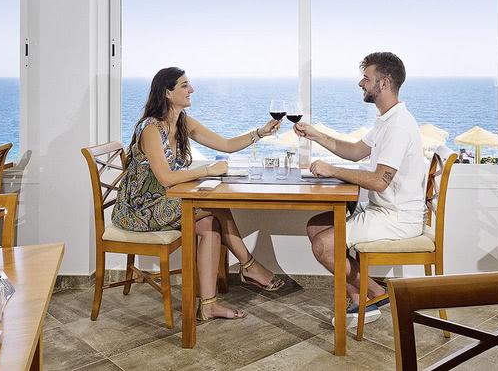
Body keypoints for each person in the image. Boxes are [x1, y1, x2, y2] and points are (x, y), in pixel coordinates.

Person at [112, 67, 285, 320]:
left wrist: (261, 132)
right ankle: (249, 266)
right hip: (139, 210)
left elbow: (226, 145)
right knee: (215, 207)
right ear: (167, 93)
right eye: (184, 85)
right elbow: (166, 178)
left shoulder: (182, 122)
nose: (191, 90)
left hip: (165, 201)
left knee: (210, 224)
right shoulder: (151, 129)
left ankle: (208, 305)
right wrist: (207, 170)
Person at [294, 52, 425, 328]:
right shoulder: (386, 120)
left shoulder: (399, 126)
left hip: (397, 217)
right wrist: (316, 135)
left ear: (384, 82)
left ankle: (376, 294)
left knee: (323, 245)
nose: (360, 83)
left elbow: (379, 181)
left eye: (366, 78)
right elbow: (354, 152)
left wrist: (332, 170)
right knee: (316, 226)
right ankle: (360, 299)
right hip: (383, 209)